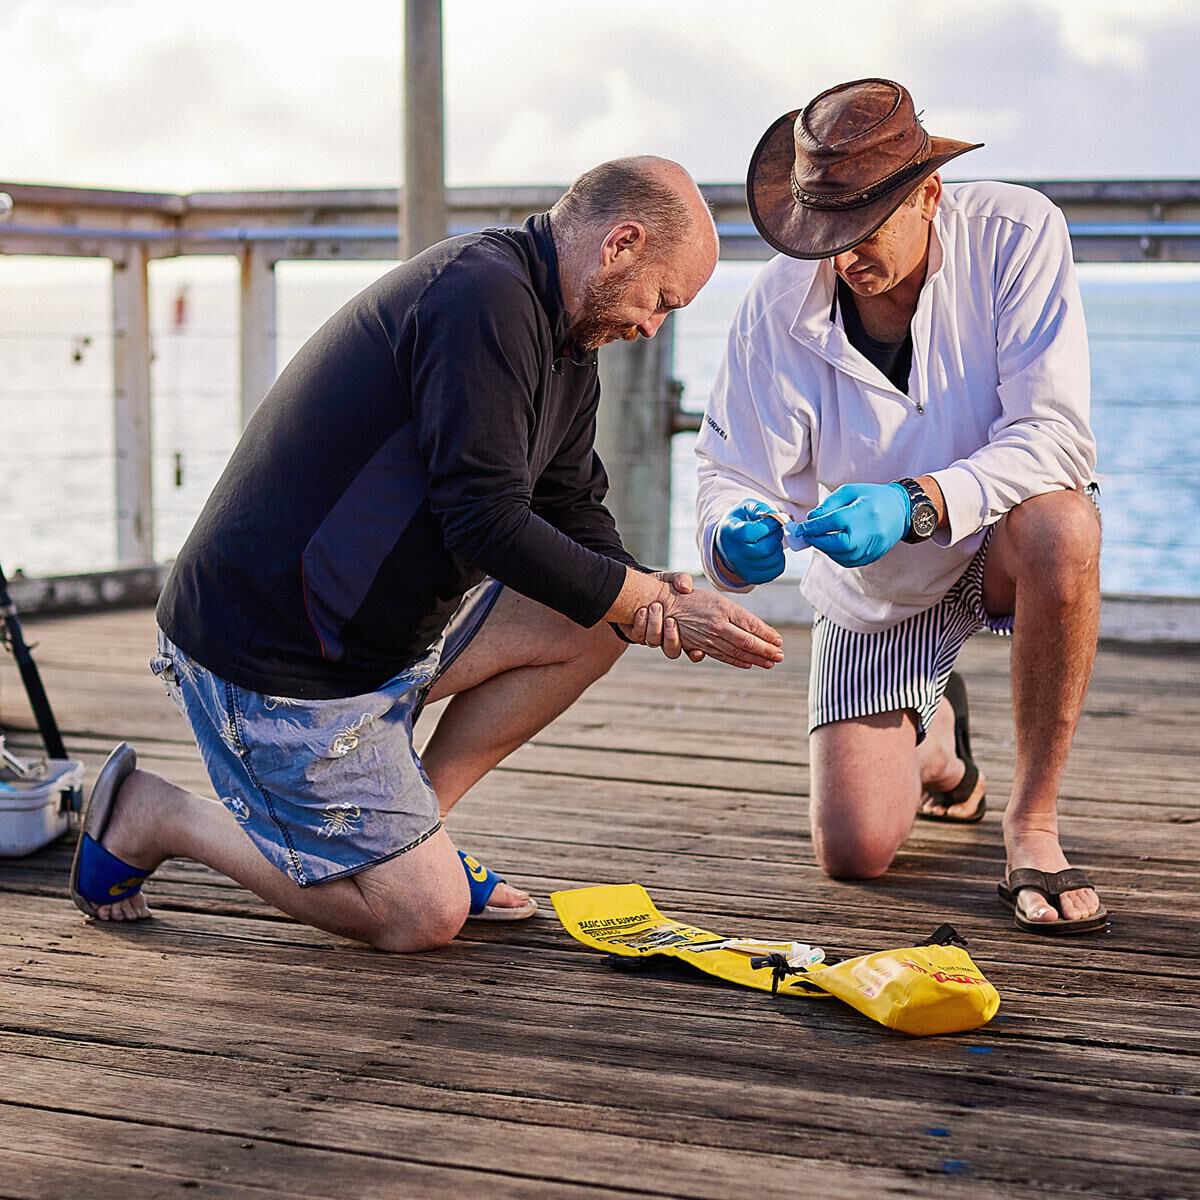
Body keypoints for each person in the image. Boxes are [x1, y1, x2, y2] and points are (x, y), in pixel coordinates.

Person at [69, 156, 785, 952]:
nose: (655, 326)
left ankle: (416, 831)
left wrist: (650, 593)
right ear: (621, 243)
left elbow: (571, 503)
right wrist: (650, 604)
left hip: (380, 644)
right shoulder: (482, 295)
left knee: (597, 620)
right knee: (421, 917)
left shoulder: (565, 338)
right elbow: (484, 522)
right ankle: (159, 815)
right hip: (273, 656)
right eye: (661, 301)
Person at [695, 80, 1107, 934]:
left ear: (928, 192)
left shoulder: (1020, 233)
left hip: (999, 545)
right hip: (879, 589)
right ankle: (941, 742)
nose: (841, 256)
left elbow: (1056, 438)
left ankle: (1032, 824)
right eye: (823, 233)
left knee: (1065, 523)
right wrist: (734, 536)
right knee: (854, 854)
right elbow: (728, 472)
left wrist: (919, 501)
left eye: (863, 229)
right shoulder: (773, 305)